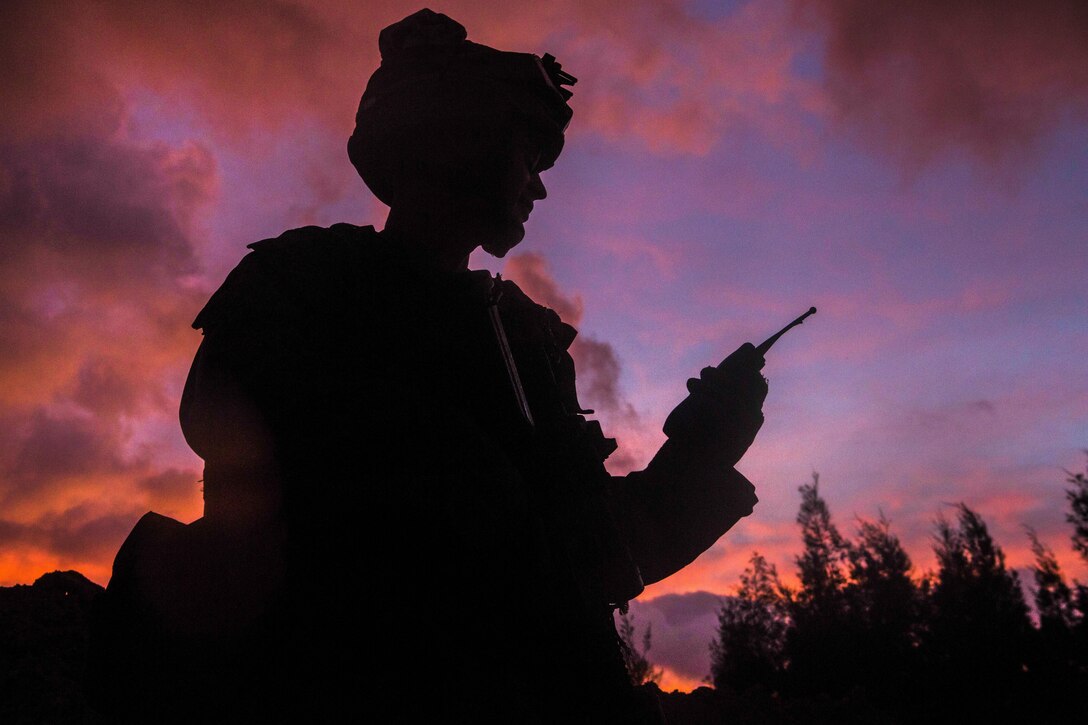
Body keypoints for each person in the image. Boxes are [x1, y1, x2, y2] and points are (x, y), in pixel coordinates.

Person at [89, 9, 766, 723]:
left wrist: (698, 453)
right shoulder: (303, 279)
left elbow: (586, 559)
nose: (537, 186)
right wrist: (460, 468)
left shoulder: (527, 339)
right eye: (525, 153)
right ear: (458, 139)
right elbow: (233, 426)